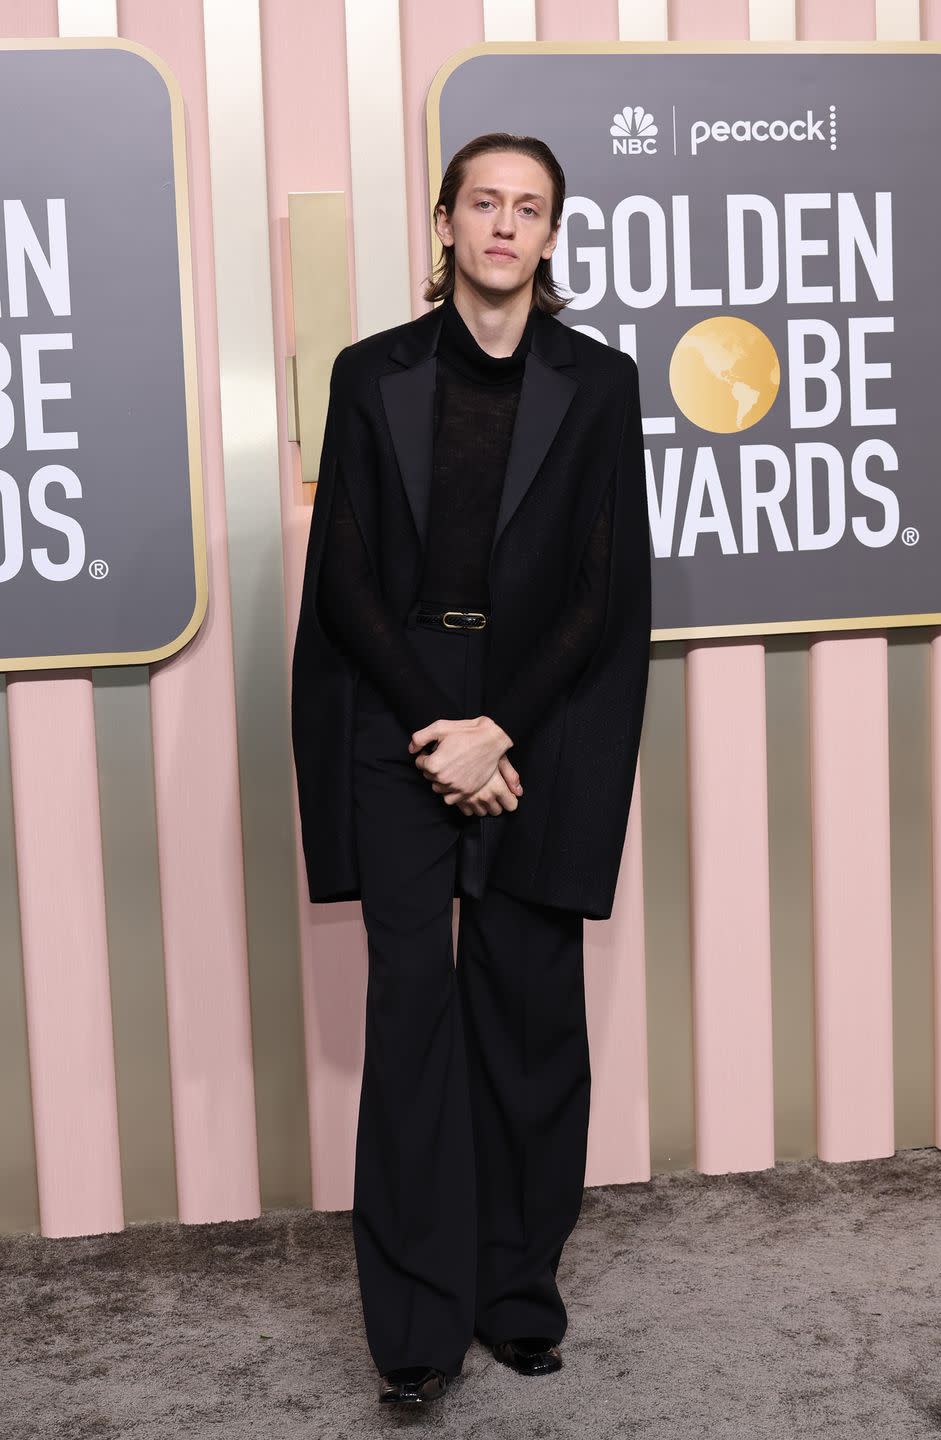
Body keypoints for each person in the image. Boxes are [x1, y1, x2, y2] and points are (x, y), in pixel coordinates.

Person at [291, 132, 651, 1407]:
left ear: (551, 237)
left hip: (537, 731)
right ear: (445, 222)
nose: (505, 225)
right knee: (412, 1029)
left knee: (532, 1019)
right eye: (484, 203)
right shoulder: (369, 372)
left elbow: (605, 593)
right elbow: (341, 578)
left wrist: (499, 729)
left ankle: (516, 1295)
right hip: (400, 726)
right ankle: (416, 1332)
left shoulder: (600, 384)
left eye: (530, 208)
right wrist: (443, 728)